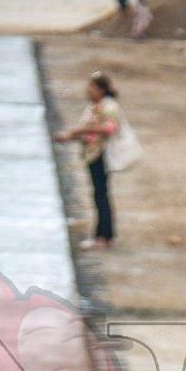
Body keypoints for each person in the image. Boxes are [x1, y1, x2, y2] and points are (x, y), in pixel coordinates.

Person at [54, 71, 121, 251]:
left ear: (101, 89)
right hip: (93, 154)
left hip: (101, 154)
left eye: (92, 88)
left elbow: (108, 129)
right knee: (99, 194)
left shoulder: (108, 107)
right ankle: (104, 234)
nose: (89, 92)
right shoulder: (96, 106)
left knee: (101, 195)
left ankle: (104, 236)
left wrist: (77, 132)